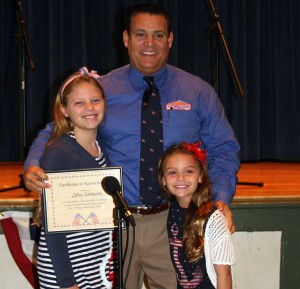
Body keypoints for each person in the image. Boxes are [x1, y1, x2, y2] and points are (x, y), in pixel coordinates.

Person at [23, 4, 240, 289]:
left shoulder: (198, 92)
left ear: (170, 40)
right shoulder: (101, 91)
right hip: (113, 226)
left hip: (171, 221)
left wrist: (221, 198)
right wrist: (33, 164)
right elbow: (55, 128)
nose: (149, 44)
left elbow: (224, 149)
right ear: (125, 38)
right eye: (140, 34)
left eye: (158, 35)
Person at [35, 67, 116, 289]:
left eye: (95, 100)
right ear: (64, 110)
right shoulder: (59, 154)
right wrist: (67, 282)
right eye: (79, 103)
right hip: (68, 271)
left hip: (95, 264)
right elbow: (54, 228)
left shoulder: (101, 149)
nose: (89, 108)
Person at [158, 142, 236, 289]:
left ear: (200, 176)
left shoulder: (214, 220)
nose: (181, 177)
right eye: (172, 172)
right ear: (163, 180)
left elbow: (224, 275)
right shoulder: (173, 209)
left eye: (189, 171)